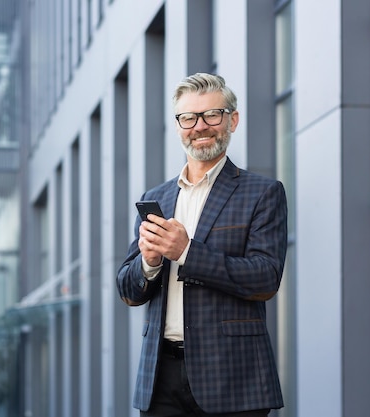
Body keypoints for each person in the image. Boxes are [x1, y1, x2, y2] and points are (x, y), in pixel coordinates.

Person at [116, 72, 288, 417]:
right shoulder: (156, 198)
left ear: (232, 120)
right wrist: (148, 263)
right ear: (179, 125)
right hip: (160, 375)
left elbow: (265, 278)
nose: (200, 126)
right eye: (188, 117)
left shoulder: (263, 192)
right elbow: (129, 291)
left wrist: (187, 252)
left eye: (212, 115)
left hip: (233, 378)